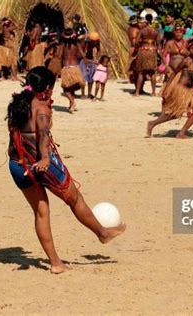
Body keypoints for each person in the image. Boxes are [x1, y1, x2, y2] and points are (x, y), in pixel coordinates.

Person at [6, 67, 125, 274]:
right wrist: (44, 158)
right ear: (48, 88)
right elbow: (42, 134)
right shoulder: (42, 108)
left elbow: (17, 136)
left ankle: (55, 263)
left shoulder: (18, 103)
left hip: (18, 165)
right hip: (41, 165)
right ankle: (102, 233)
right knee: (75, 200)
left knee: (41, 212)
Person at [146, 46, 193, 138]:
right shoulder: (186, 61)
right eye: (191, 48)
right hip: (181, 90)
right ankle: (153, 123)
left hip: (190, 90)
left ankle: (186, 133)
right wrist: (167, 88)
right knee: (176, 114)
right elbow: (174, 73)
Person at [134, 15, 161, 96]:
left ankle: (137, 92)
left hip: (143, 51)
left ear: (146, 21)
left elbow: (137, 42)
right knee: (152, 73)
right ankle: (153, 92)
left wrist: (141, 42)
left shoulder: (142, 31)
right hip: (152, 51)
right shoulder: (156, 32)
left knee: (141, 72)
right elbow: (158, 44)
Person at [60, 28, 86, 113]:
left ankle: (72, 102)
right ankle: (71, 106)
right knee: (72, 88)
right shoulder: (77, 44)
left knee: (66, 88)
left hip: (66, 67)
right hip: (75, 67)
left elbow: (59, 55)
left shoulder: (63, 44)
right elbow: (82, 55)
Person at [79, 32, 101, 99]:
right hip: (84, 61)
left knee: (91, 79)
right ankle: (82, 93)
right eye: (93, 41)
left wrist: (97, 59)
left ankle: (89, 93)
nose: (94, 42)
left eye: (95, 41)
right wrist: (84, 58)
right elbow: (80, 50)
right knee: (83, 79)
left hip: (93, 62)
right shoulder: (85, 43)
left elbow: (99, 51)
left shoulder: (97, 42)